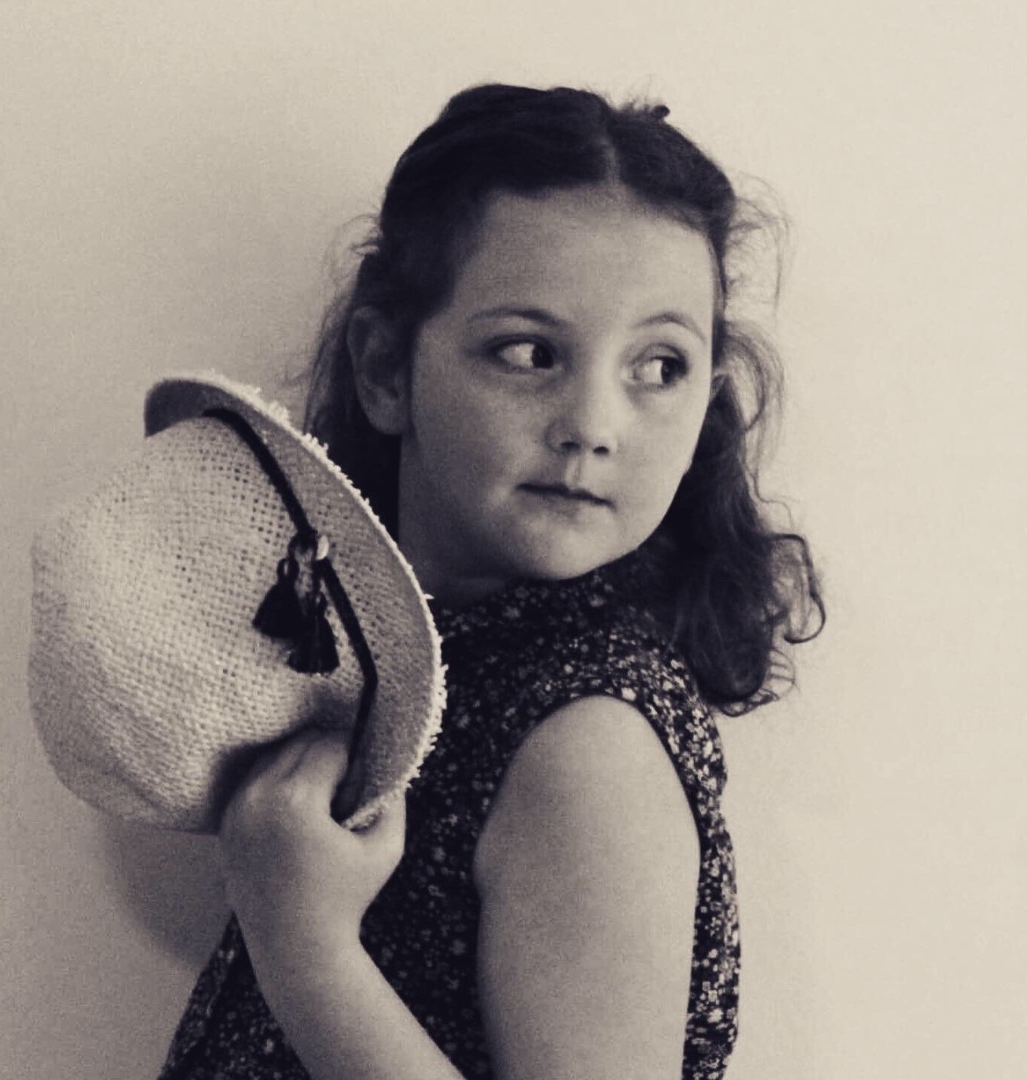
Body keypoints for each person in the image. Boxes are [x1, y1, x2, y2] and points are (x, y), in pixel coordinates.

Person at [158, 83, 824, 1080]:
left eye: (660, 366)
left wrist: (303, 946)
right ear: (386, 368)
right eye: (529, 353)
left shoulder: (589, 740)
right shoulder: (410, 661)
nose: (593, 425)